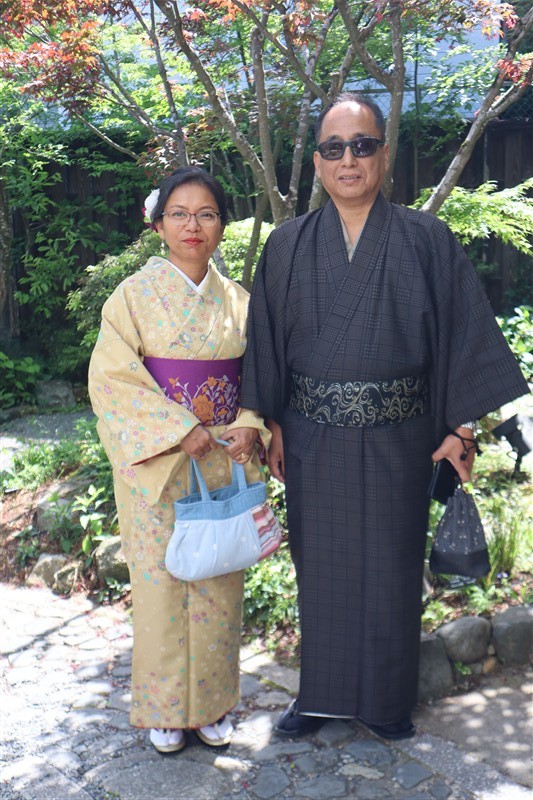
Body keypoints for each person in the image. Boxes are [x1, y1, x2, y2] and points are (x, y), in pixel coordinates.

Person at [240, 93, 529, 741]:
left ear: (384, 154)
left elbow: (461, 334)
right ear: (318, 162)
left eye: (362, 145)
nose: (348, 160)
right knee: (323, 570)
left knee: (392, 569)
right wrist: (273, 423)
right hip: (313, 437)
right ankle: (321, 695)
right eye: (334, 148)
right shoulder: (287, 246)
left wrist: (459, 428)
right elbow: (266, 342)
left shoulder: (425, 239)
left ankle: (386, 702)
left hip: (403, 437)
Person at [88, 166, 270, 754]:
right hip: (159, 466)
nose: (193, 225)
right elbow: (111, 378)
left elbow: (262, 376)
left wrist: (249, 424)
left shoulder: (239, 302)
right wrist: (178, 427)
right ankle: (165, 710)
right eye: (180, 214)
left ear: (222, 226)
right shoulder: (132, 297)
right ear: (158, 224)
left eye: (207, 214)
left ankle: (214, 705)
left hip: (221, 460)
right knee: (162, 586)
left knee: (219, 582)